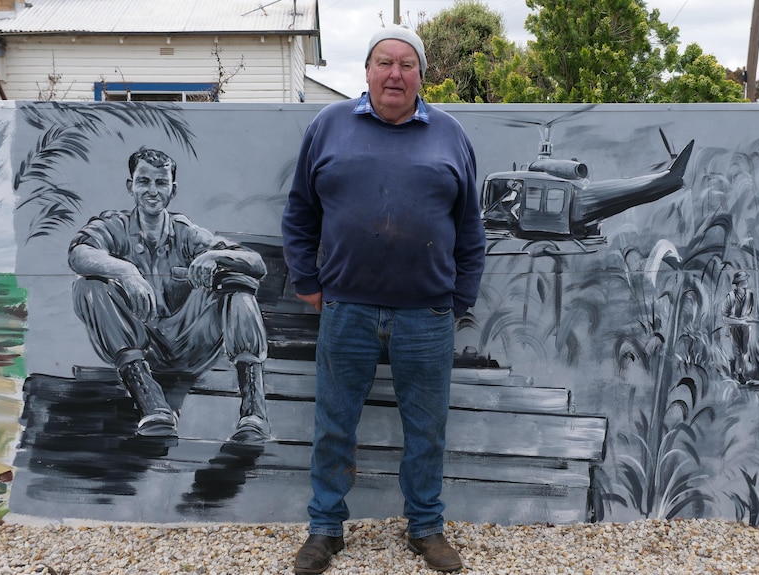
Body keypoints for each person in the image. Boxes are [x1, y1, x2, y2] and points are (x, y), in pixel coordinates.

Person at [281, 24, 486, 575]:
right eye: (383, 62)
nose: (394, 73)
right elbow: (301, 211)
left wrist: (459, 296)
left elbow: (470, 228)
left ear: (422, 75)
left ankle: (425, 527)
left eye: (406, 64)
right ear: (366, 72)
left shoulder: (450, 135)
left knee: (427, 429)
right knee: (333, 424)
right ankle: (325, 529)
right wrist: (307, 279)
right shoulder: (328, 126)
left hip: (428, 314)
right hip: (345, 309)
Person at [69, 147, 270, 442]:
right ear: (131, 186)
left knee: (237, 285)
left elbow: (256, 263)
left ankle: (254, 413)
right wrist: (127, 272)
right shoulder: (114, 226)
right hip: (142, 348)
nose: (152, 191)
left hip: (191, 345)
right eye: (144, 181)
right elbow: (79, 254)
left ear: (172, 190)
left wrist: (216, 256)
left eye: (161, 183)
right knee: (88, 286)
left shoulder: (186, 233)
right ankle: (153, 405)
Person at [721, 270, 755, 384]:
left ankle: (742, 372)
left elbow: (750, 312)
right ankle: (739, 373)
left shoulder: (750, 295)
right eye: (744, 280)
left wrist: (747, 320)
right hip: (733, 328)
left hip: (745, 328)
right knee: (737, 351)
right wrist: (739, 322)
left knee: (745, 351)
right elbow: (725, 318)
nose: (746, 281)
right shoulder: (730, 297)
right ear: (739, 283)